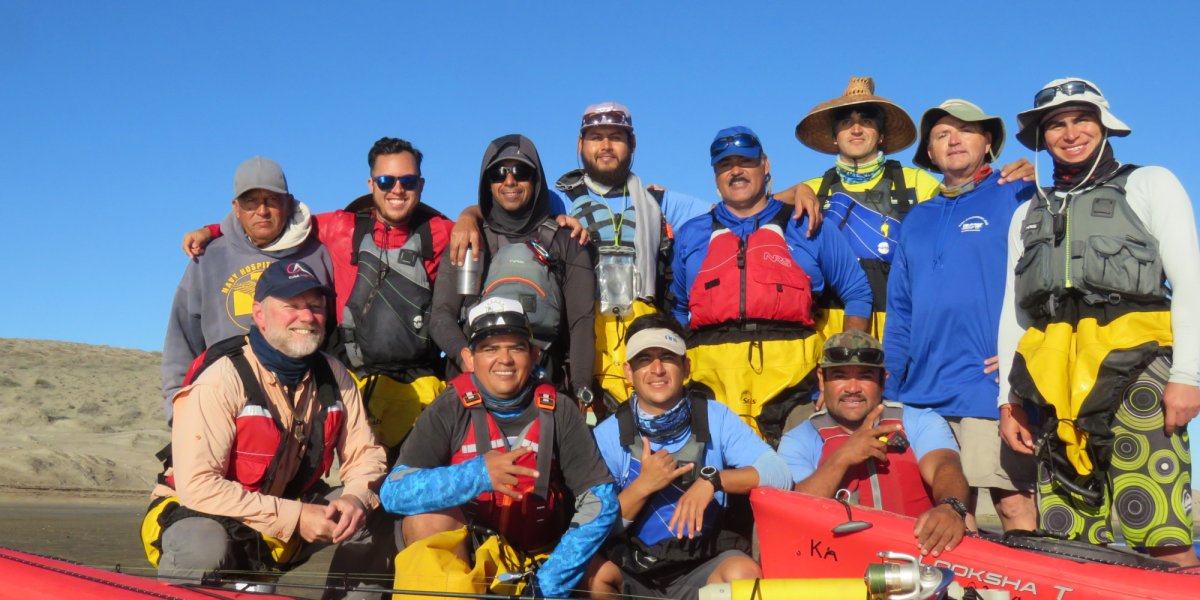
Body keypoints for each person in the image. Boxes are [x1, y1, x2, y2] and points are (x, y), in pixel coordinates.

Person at [449, 103, 824, 415]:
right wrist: (468, 215)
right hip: (582, 328)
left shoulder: (659, 202)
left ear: (632, 144)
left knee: (643, 423)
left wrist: (798, 190)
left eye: (616, 137)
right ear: (580, 145)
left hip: (639, 326)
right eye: (596, 138)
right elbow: (505, 202)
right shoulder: (558, 199)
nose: (606, 146)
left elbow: (732, 206)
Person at [998, 78, 1200, 565]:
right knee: (1066, 542)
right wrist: (1007, 401)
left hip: (1138, 374)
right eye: (1056, 125)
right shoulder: (1027, 212)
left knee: (1162, 529)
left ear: (1104, 123)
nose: (1070, 133)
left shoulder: (1151, 183)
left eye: (1081, 119)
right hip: (1051, 386)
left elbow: (1190, 283)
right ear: (1042, 137)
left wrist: (1189, 376)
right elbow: (1015, 312)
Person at [181, 138, 456, 454]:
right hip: (350, 382)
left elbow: (484, 229)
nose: (396, 189)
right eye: (386, 180)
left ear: (420, 184)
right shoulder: (341, 227)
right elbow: (276, 223)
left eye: (407, 181)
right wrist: (213, 230)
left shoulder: (444, 232)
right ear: (371, 184)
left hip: (419, 386)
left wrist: (471, 218)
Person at [142, 260, 391, 597]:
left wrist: (355, 499)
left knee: (378, 514)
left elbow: (366, 455)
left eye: (315, 307)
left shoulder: (336, 375)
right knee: (201, 543)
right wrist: (297, 516)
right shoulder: (221, 380)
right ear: (259, 314)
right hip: (200, 516)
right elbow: (198, 487)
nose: (306, 317)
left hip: (279, 520)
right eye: (291, 306)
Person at [381, 297, 618, 598]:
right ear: (469, 358)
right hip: (471, 555)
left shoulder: (561, 409)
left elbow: (601, 500)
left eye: (516, 348)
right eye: (490, 348)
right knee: (424, 518)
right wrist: (478, 474)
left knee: (607, 577)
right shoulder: (449, 407)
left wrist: (548, 583)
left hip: (543, 558)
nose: (504, 359)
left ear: (533, 355)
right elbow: (393, 492)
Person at [781, 77, 1035, 340]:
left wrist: (1021, 181)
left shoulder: (916, 182)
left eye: (867, 122)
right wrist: (795, 191)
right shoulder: (813, 189)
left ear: (881, 135)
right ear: (835, 137)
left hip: (902, 328)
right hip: (828, 332)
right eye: (846, 124)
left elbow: (967, 205)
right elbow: (753, 207)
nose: (856, 130)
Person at [884, 99, 1037, 531]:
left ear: (988, 142)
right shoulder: (916, 219)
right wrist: (891, 387)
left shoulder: (1017, 193)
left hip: (988, 387)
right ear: (930, 154)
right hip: (921, 395)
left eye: (966, 130)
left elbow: (1044, 280)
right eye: (941, 134)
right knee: (952, 513)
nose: (954, 140)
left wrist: (1020, 354)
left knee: (1013, 504)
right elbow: (900, 310)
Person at [670, 126, 872, 445]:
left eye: (745, 162)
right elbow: (680, 310)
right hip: (711, 388)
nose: (735, 171)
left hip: (796, 389)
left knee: (796, 487)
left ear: (765, 165)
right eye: (725, 165)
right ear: (715, 176)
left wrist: (844, 371)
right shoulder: (691, 234)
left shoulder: (808, 224)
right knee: (714, 487)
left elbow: (857, 293)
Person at [585, 314, 792, 600]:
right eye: (644, 359)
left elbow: (779, 474)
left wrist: (713, 481)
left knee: (744, 573)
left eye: (668, 357)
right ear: (628, 372)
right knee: (594, 575)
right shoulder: (607, 435)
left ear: (686, 368)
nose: (657, 369)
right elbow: (594, 527)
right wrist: (644, 485)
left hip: (703, 566)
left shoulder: (715, 416)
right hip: (635, 569)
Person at [162, 156, 333, 423]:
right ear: (236, 208)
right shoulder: (207, 259)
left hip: (301, 407)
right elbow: (181, 338)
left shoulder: (317, 255)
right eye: (251, 202)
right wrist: (176, 406)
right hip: (221, 402)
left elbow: (329, 330)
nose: (261, 211)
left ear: (288, 203)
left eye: (271, 200)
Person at [429, 134, 596, 403]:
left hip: (545, 386)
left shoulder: (567, 241)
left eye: (521, 172)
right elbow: (441, 315)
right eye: (498, 173)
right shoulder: (468, 238)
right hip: (474, 389)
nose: (509, 181)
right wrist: (467, 359)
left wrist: (581, 388)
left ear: (536, 179)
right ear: (487, 182)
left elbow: (581, 323)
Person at [778, 330, 970, 558]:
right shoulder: (798, 439)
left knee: (968, 523)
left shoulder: (921, 421)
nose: (852, 388)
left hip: (918, 557)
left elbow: (944, 465)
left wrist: (950, 508)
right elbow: (794, 513)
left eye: (865, 376)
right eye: (839, 376)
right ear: (821, 380)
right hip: (835, 562)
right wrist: (843, 456)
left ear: (883, 380)